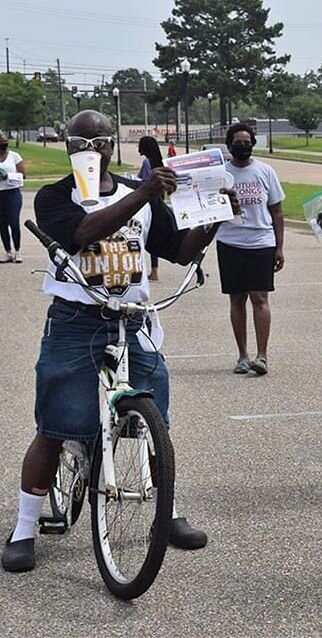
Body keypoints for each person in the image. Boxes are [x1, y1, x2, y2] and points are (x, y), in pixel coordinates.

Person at [1, 110, 237, 573]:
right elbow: (81, 234)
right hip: (76, 319)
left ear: (112, 147)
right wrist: (147, 192)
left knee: (156, 421)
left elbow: (178, 250)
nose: (89, 149)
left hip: (133, 319)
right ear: (68, 147)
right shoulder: (54, 197)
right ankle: (25, 526)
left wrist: (214, 215)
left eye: (99, 141)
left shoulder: (139, 194)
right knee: (56, 423)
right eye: (79, 141)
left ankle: (165, 513)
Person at [215, 123, 285, 375]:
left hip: (261, 242)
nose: (242, 146)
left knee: (260, 298)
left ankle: (262, 356)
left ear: (253, 144)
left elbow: (276, 211)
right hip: (230, 242)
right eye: (237, 142)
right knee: (237, 299)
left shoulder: (265, 171)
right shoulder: (221, 173)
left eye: (246, 142)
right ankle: (242, 356)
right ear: (229, 144)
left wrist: (279, 247)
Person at [138, 135, 164, 280]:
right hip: (159, 201)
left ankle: (152, 271)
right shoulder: (160, 162)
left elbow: (143, 182)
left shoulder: (147, 162)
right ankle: (154, 269)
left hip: (148, 202)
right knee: (155, 235)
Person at [0, 131, 26, 263]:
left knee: (14, 222)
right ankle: (8, 252)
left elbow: (23, 175)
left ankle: (17, 251)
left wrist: (7, 176)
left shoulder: (14, 156)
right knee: (2, 224)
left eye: (3, 144)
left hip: (12, 193)